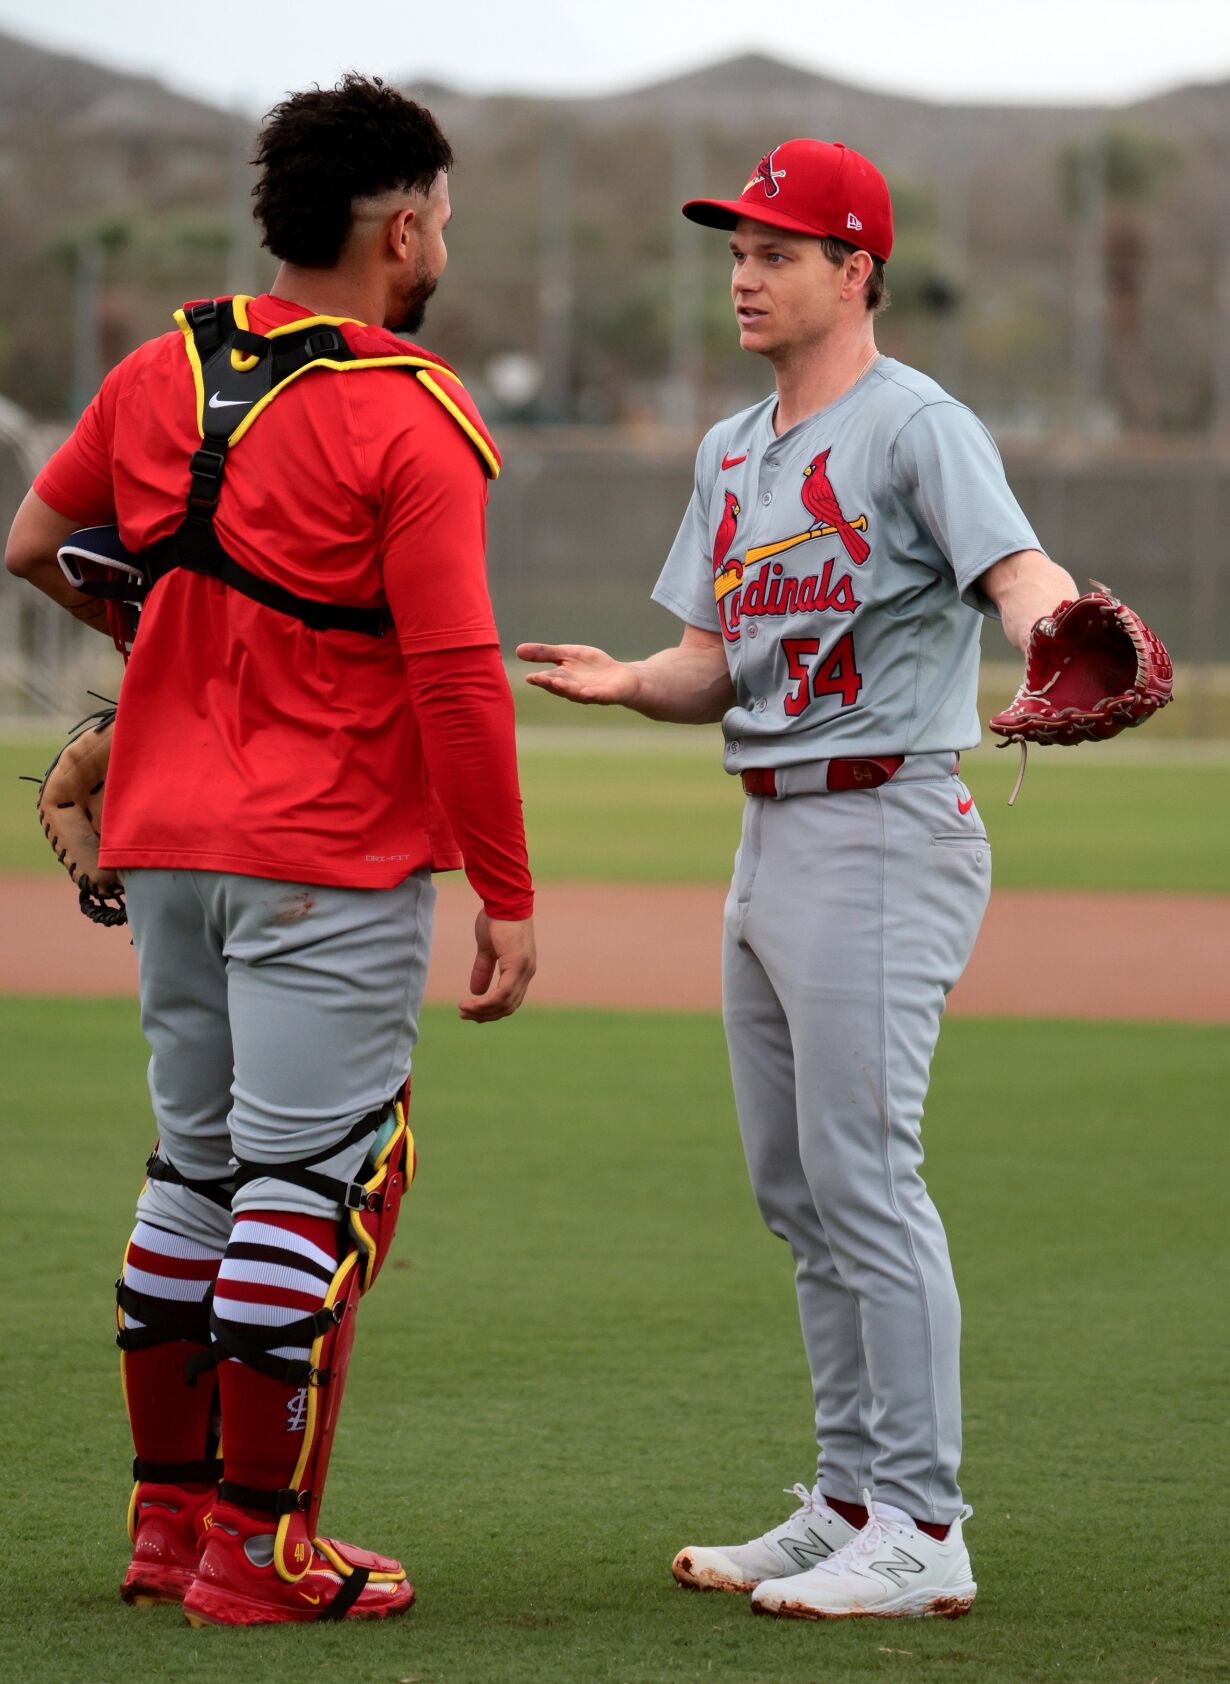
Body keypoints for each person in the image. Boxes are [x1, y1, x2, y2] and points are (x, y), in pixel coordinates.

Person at [519, 137, 1078, 1622]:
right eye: (735, 250)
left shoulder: (916, 427)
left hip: (883, 822)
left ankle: (924, 1525)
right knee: (796, 1192)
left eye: (774, 250)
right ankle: (845, 1502)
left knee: (863, 1178)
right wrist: (630, 678)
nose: (744, 274)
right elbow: (714, 662)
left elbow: (1017, 573)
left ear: (856, 270)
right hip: (769, 829)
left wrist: (1055, 625)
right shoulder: (730, 450)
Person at [5, 75, 536, 1626]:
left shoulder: (158, 369)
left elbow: (36, 546)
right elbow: (452, 674)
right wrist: (506, 894)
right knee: (313, 1188)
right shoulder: (410, 412)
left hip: (164, 843)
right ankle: (257, 1551)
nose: (445, 240)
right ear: (402, 226)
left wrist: (164, 648)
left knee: (196, 1174)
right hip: (328, 856)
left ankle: (167, 1526)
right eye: (443, 216)